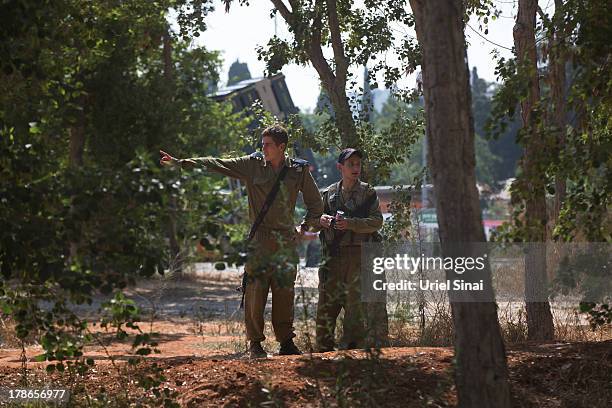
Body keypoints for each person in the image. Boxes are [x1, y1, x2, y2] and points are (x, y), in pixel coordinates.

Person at [160, 124, 323, 358]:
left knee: (284, 293)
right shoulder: (252, 165)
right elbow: (216, 163)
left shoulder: (298, 171)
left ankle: (286, 342)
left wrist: (304, 227)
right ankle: (255, 344)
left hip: (285, 242)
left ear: (282, 147)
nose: (263, 148)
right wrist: (181, 162)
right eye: (262, 143)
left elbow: (316, 205)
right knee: (255, 293)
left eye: (268, 145)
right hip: (259, 240)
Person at [316, 148, 383, 352]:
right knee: (327, 303)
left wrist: (351, 223)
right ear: (340, 167)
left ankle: (351, 351)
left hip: (358, 256)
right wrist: (321, 220)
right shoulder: (328, 194)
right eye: (351, 164)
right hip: (333, 256)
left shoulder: (368, 193)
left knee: (355, 306)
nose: (356, 168)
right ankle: (324, 351)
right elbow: (312, 221)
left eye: (358, 164)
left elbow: (376, 222)